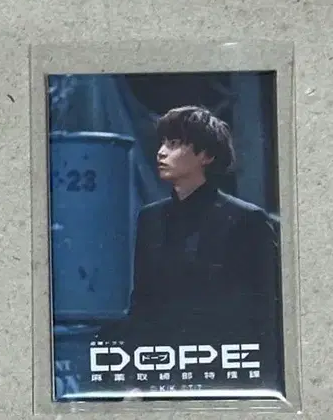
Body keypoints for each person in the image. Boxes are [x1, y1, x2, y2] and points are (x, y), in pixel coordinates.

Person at [104, 106, 280, 375]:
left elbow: (266, 311)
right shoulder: (151, 218)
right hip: (163, 368)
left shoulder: (246, 219)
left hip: (225, 369)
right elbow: (142, 303)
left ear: (206, 155)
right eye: (162, 143)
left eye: (174, 144)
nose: (161, 152)